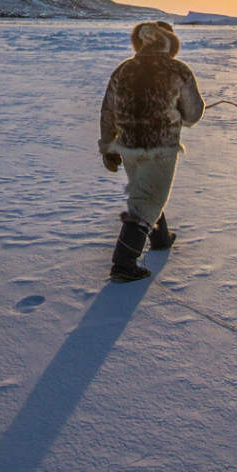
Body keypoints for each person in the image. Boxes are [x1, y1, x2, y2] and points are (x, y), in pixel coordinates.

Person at [98, 21, 205, 281]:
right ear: (169, 41)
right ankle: (124, 264)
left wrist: (108, 146)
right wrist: (179, 113)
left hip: (129, 146)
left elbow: (108, 112)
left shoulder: (123, 69)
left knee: (148, 191)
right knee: (147, 200)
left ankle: (161, 238)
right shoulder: (178, 69)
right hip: (161, 148)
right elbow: (192, 114)